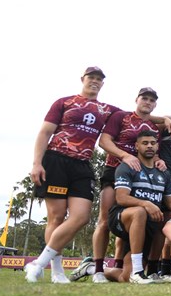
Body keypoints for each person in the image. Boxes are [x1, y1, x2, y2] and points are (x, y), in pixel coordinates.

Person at [25, 66, 171, 284]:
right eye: (91, 77)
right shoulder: (64, 102)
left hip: (84, 165)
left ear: (103, 83)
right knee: (59, 217)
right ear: (82, 79)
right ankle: (62, 270)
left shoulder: (107, 109)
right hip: (61, 160)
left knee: (81, 217)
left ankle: (40, 263)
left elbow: (137, 114)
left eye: (99, 79)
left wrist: (164, 119)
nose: (94, 81)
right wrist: (37, 162)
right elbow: (45, 132)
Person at [70, 86, 165, 283]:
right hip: (115, 170)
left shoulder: (156, 128)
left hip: (140, 176)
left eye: (151, 100)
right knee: (105, 220)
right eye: (144, 98)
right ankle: (96, 269)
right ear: (137, 99)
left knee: (130, 220)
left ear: (155, 104)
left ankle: (120, 266)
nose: (147, 102)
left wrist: (158, 160)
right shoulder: (121, 117)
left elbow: (153, 150)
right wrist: (124, 155)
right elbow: (104, 141)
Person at [103, 130, 171, 283]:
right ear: (137, 146)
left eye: (153, 143)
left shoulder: (163, 173)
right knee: (140, 212)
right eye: (145, 143)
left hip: (147, 225)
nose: (149, 146)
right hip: (122, 218)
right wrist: (146, 203)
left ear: (157, 147)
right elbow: (121, 198)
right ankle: (137, 272)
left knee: (168, 216)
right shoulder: (128, 166)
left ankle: (153, 271)